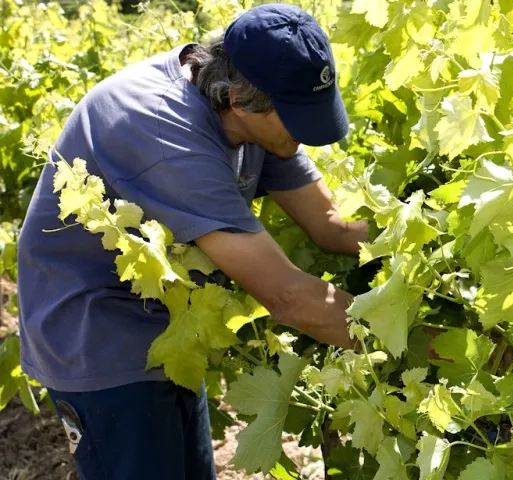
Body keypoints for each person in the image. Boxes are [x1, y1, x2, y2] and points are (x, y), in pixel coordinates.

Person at [15, 4, 366, 479]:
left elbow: (330, 226)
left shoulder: (258, 120)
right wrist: (404, 343)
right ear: (240, 101)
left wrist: (428, 246)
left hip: (173, 323)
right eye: (297, 117)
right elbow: (287, 296)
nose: (305, 134)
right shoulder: (165, 134)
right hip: (94, 332)